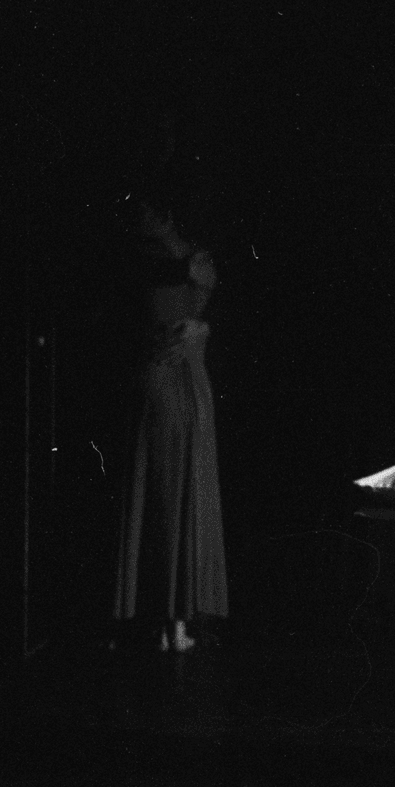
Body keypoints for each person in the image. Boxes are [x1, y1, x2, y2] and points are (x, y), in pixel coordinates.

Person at [114, 195, 228, 653]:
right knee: (169, 490)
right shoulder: (165, 263)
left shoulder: (185, 260)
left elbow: (199, 304)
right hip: (169, 380)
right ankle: (169, 619)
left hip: (180, 379)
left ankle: (171, 619)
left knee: (171, 489)